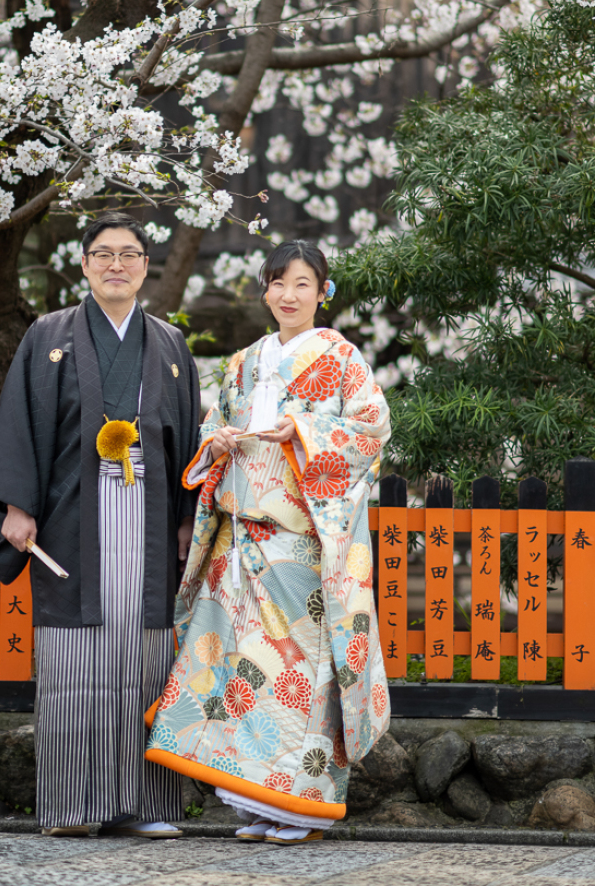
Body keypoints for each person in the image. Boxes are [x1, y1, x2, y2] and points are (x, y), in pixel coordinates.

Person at [146, 239, 392, 845]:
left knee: (299, 674)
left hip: (300, 543)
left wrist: (304, 431)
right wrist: (218, 443)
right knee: (241, 672)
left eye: (302, 285)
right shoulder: (240, 362)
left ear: (322, 293)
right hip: (240, 539)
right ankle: (257, 804)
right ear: (264, 289)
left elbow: (372, 430)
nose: (288, 296)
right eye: (278, 283)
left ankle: (302, 807)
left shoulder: (341, 357)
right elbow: (209, 431)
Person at [0, 212, 201, 838]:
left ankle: (147, 806)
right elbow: (22, 423)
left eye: (129, 253)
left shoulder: (170, 345)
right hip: (76, 517)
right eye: (103, 254)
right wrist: (18, 506)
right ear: (84, 264)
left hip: (150, 519)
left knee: (146, 657)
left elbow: (187, 445)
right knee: (76, 658)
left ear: (146, 266)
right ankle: (75, 807)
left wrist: (185, 520)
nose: (116, 264)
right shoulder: (49, 335)